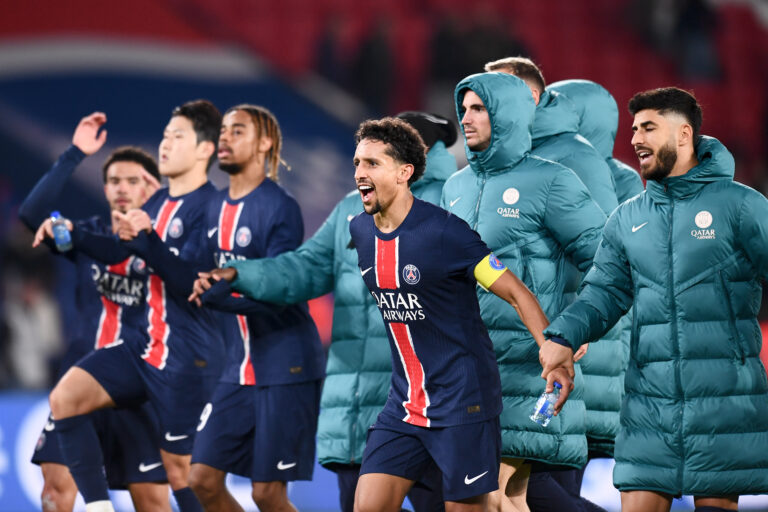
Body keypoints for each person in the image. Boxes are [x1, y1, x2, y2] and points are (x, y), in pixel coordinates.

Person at [190, 111, 459, 512]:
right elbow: (305, 268)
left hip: (428, 398)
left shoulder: (453, 201)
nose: (366, 164)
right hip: (357, 403)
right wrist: (238, 274)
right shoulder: (351, 209)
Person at [540, 87, 768, 512]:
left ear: (684, 135)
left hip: (721, 400)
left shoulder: (741, 207)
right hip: (647, 403)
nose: (635, 140)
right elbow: (604, 293)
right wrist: (562, 336)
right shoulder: (628, 218)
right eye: (633, 130)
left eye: (648, 128)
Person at [346, 117, 571, 512]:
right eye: (357, 163)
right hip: (405, 405)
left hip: (464, 406)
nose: (360, 173)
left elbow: (516, 293)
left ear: (404, 173)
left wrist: (551, 349)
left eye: (372, 164)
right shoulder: (361, 232)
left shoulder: (447, 234)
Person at [121, 104, 326, 512]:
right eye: (224, 132)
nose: (225, 139)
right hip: (237, 368)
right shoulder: (214, 207)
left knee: (267, 494)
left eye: (238, 131)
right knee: (201, 481)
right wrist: (147, 244)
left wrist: (219, 297)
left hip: (285, 367)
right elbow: (192, 281)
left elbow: (280, 295)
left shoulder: (279, 207)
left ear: (264, 143)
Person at [43, 100, 225, 512]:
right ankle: (97, 507)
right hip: (146, 349)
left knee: (185, 477)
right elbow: (118, 252)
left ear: (204, 150)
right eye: (164, 135)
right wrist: (74, 234)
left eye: (178, 136)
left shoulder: (213, 209)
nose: (165, 143)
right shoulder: (158, 204)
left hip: (189, 362)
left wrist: (150, 244)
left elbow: (194, 286)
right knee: (65, 397)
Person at [441, 72, 607, 512]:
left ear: (509, 114)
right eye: (465, 108)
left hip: (527, 365)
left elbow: (608, 261)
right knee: (508, 500)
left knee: (482, 497)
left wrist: (578, 323)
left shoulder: (551, 181)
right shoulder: (455, 187)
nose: (467, 117)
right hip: (469, 369)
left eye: (479, 108)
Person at [19, 112, 170, 512]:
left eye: (132, 180)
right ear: (103, 189)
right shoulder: (86, 235)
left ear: (151, 188)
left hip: (137, 390)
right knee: (55, 490)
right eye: (114, 181)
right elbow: (32, 216)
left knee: (153, 502)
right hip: (80, 381)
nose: (121, 189)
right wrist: (74, 154)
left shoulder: (165, 246)